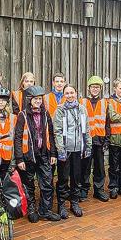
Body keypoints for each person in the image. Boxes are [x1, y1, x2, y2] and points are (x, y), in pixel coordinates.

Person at [13, 85, 59, 222]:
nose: (38, 101)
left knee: (47, 183)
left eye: (40, 99)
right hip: (28, 156)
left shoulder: (45, 114)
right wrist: (19, 158)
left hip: (44, 154)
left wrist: (53, 154)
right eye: (35, 99)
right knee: (28, 184)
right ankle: (31, 209)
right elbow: (18, 138)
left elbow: (50, 134)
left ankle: (45, 210)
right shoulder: (22, 115)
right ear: (29, 100)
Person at [53, 85, 91, 218]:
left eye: (72, 93)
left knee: (76, 177)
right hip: (66, 149)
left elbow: (87, 128)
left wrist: (88, 146)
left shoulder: (82, 109)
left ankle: (74, 202)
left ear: (76, 93)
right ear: (64, 95)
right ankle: (62, 204)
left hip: (78, 149)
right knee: (63, 178)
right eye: (67, 93)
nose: (69, 95)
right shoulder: (60, 110)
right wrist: (60, 149)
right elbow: (57, 131)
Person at [80, 76, 109, 202]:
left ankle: (99, 190)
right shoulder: (82, 102)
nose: (95, 89)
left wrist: (107, 140)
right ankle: (83, 190)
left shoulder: (105, 103)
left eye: (97, 87)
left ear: (100, 89)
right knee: (85, 167)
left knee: (100, 167)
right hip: (86, 140)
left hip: (100, 140)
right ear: (88, 88)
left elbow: (108, 122)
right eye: (93, 87)